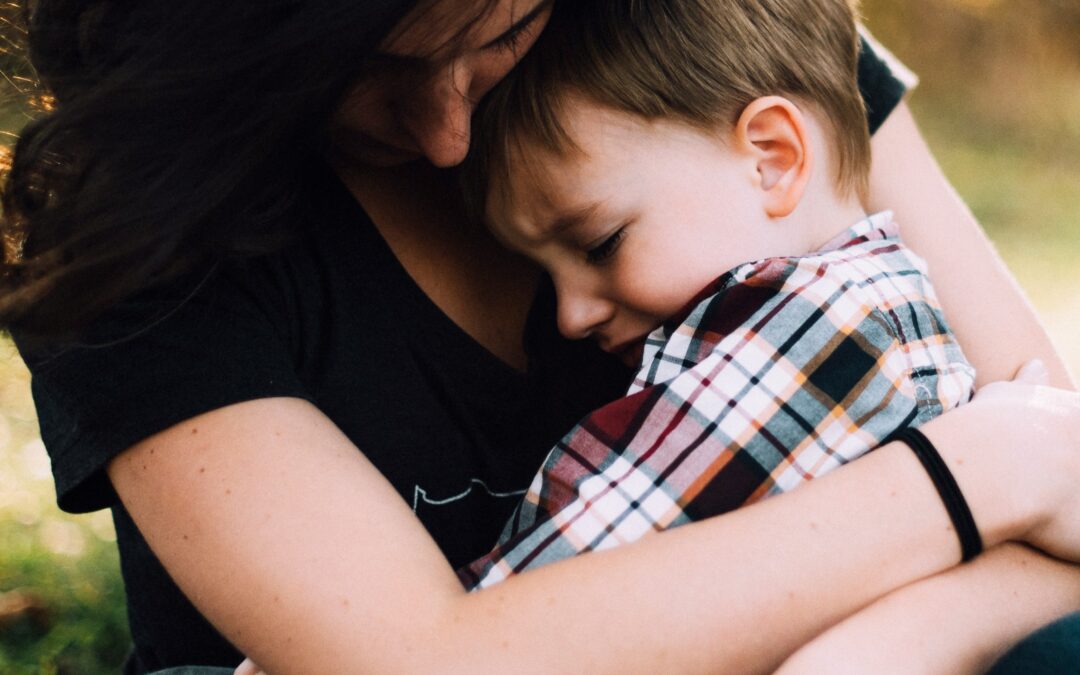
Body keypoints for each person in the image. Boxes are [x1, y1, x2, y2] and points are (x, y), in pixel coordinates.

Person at [0, 1, 1077, 673]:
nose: (446, 136)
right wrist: (972, 476)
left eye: (496, 36)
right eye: (363, 75)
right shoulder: (133, 223)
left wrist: (898, 644)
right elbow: (411, 666)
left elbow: (1067, 513)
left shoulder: (721, 49)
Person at [458, 0, 979, 588]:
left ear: (772, 160)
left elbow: (548, 593)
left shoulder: (821, 332)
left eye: (601, 244)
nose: (569, 316)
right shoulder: (872, 306)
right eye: (542, 273)